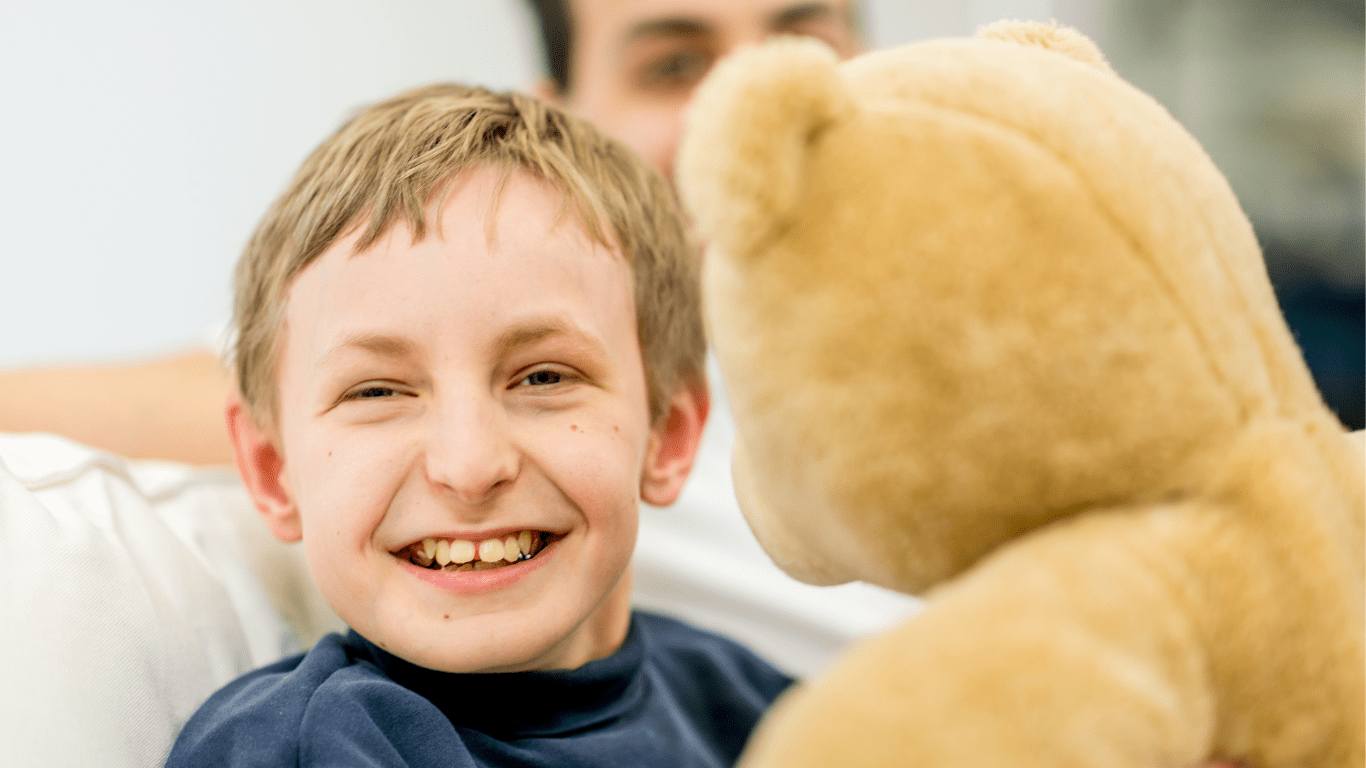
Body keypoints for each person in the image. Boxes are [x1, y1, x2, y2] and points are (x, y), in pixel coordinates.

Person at [166, 83, 793, 764]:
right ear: (272, 470)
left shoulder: (750, 706)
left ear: (667, 435)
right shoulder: (311, 747)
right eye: (378, 391)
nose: (468, 467)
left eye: (544, 377)